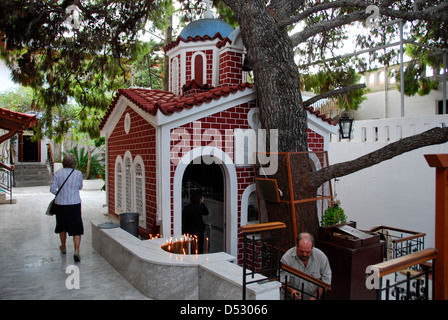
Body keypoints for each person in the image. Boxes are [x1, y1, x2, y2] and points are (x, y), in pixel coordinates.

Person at [50, 153, 84, 262]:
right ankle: (76, 250)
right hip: (74, 204)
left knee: (62, 227)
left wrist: (58, 194)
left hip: (61, 205)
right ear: (74, 163)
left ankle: (63, 247)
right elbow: (80, 187)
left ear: (64, 163)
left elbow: (52, 189)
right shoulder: (78, 174)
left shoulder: (58, 173)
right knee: (76, 228)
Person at [280, 232, 332, 300]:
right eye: (301, 251)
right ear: (296, 245)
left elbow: (326, 282)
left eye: (308, 252)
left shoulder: (321, 257)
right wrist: (292, 291)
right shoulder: (286, 258)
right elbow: (282, 281)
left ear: (312, 247)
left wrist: (315, 297)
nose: (304, 254)